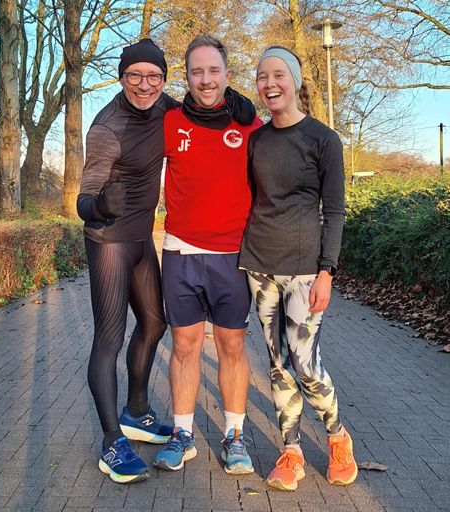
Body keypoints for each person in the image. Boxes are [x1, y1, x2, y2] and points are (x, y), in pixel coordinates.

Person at [239, 46, 358, 491]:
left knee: (305, 363)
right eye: (261, 77)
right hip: (260, 265)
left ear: (295, 80)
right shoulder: (256, 140)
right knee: (277, 364)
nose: (269, 84)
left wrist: (328, 271)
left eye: (278, 75)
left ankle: (337, 436)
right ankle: (291, 451)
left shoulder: (324, 140)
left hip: (306, 270)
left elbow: (335, 211)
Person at [153, 35, 262, 475]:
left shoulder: (250, 126)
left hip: (232, 257)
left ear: (227, 75)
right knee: (184, 345)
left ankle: (234, 435)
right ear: (187, 77)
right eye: (197, 71)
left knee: (232, 345)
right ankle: (183, 435)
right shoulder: (170, 122)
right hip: (180, 253)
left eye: (213, 70)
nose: (205, 79)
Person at [76, 38, 179, 484]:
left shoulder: (166, 106)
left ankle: (137, 411)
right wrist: (99, 206)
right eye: (134, 75)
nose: (144, 84)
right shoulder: (107, 127)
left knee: (155, 323)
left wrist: (234, 103)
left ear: (163, 80)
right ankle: (111, 442)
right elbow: (83, 199)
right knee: (110, 338)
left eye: (153, 76)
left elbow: (203, 111)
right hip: (110, 240)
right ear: (121, 78)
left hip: (141, 239)